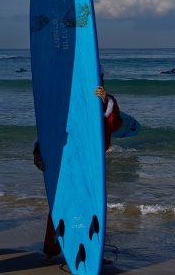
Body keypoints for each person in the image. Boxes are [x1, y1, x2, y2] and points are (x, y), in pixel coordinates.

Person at [38, 65, 123, 261]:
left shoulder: (107, 100)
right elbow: (50, 127)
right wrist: (39, 151)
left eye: (99, 78)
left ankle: (92, 251)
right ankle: (52, 249)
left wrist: (104, 103)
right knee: (61, 201)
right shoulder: (66, 97)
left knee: (90, 205)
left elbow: (115, 125)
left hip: (91, 162)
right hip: (67, 160)